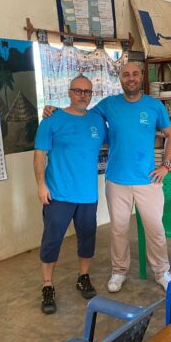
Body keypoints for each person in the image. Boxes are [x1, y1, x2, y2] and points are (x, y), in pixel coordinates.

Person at [44, 62, 171, 293]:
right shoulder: (108, 104)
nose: (131, 78)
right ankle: (119, 271)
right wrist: (54, 110)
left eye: (135, 74)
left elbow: (170, 135)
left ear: (141, 77)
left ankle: (161, 271)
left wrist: (165, 165)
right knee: (119, 229)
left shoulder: (154, 106)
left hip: (148, 180)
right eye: (126, 75)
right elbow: (79, 113)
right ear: (120, 79)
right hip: (116, 180)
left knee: (155, 229)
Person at [34, 75, 106, 314]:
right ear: (69, 92)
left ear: (91, 95)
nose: (82, 95)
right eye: (78, 91)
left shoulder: (97, 121)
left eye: (87, 92)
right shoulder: (51, 120)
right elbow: (40, 156)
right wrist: (41, 185)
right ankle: (47, 285)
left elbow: (118, 141)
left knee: (87, 238)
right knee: (52, 240)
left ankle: (83, 277)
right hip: (58, 194)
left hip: (87, 195)